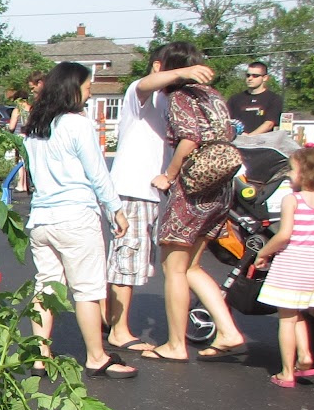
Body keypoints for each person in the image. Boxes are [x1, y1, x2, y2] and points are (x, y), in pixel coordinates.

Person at [19, 62, 136, 379]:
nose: (90, 92)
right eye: (87, 87)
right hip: (76, 216)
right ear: (72, 89)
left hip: (41, 219)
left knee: (46, 288)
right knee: (87, 289)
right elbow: (97, 173)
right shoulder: (77, 124)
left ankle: (40, 357)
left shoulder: (34, 127)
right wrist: (116, 209)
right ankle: (96, 356)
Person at [104, 43, 215, 353]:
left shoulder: (173, 102)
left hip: (152, 192)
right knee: (128, 259)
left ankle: (110, 318)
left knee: (135, 259)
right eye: (176, 72)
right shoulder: (144, 96)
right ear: (158, 67)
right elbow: (143, 84)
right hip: (132, 189)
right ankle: (119, 330)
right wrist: (180, 72)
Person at [144, 58, 247, 362]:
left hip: (194, 190)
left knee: (173, 267)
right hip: (221, 190)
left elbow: (189, 137)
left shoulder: (180, 97)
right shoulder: (212, 95)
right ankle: (228, 331)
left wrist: (169, 174)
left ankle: (176, 345)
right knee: (191, 267)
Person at [254, 146, 314, 386]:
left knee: (286, 317)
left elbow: (284, 235)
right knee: (298, 313)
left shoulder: (292, 200)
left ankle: (287, 372)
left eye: (292, 170)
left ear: (307, 173)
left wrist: (263, 252)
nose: (289, 175)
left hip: (291, 260)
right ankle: (305, 355)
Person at [226, 61, 283, 138]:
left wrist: (249, 137)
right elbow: (227, 121)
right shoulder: (235, 99)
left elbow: (269, 124)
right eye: (248, 75)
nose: (250, 78)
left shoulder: (273, 99)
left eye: (255, 76)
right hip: (238, 143)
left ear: (265, 78)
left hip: (262, 144)